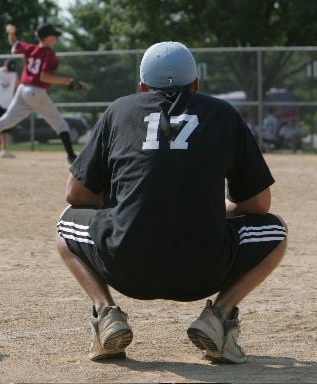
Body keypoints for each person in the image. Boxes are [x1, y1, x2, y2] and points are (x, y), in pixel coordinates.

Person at [56, 41, 287, 364]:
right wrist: (214, 212)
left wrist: (124, 206)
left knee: (66, 222)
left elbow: (76, 196)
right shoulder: (222, 113)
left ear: (141, 86)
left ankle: (105, 313)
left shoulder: (119, 110)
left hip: (127, 267)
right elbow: (259, 206)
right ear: (195, 84)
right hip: (204, 270)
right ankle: (219, 317)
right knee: (275, 231)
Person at [0, 24, 86, 164]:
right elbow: (44, 77)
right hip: (36, 91)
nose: (56, 37)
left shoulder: (31, 48)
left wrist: (11, 32)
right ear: (47, 37)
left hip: (23, 89)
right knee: (60, 124)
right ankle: (71, 156)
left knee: (5, 121)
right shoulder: (49, 53)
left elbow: (14, 42)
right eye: (53, 35)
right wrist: (69, 82)